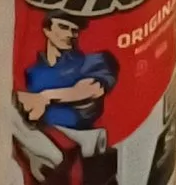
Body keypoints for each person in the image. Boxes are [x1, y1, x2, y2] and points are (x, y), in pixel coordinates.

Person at [12, 10, 118, 182]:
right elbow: (20, 102)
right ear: (47, 30)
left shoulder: (91, 61)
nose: (69, 34)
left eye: (74, 30)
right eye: (63, 27)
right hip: (45, 148)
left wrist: (46, 97)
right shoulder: (32, 72)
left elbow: (91, 89)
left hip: (86, 150)